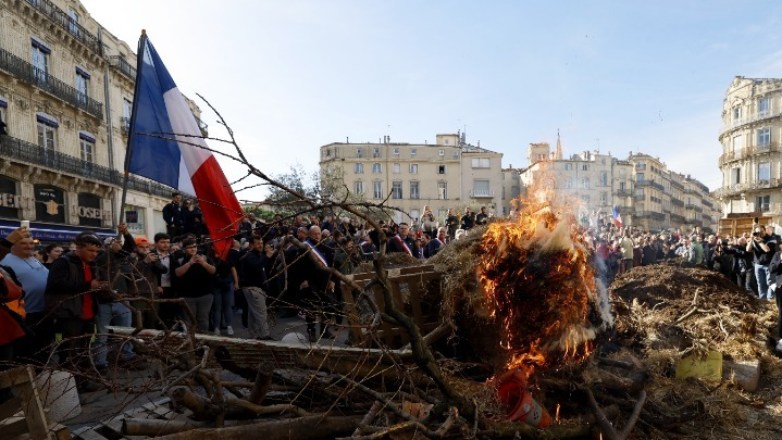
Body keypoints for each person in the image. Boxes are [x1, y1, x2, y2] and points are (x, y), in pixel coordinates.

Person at [45, 232, 105, 386]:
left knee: (85, 350)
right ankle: (70, 387)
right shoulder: (63, 263)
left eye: (96, 251)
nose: (94, 254)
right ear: (78, 248)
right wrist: (87, 286)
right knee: (70, 352)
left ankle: (83, 382)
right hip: (70, 315)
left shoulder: (91, 264)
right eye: (90, 251)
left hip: (88, 313)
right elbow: (55, 286)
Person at [0, 235, 51, 365]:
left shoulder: (33, 259)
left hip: (43, 310)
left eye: (31, 243)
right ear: (13, 246)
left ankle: (40, 370)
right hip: (24, 314)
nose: (29, 246)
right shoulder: (5, 261)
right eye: (24, 243)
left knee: (42, 344)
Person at [172, 238, 217, 332]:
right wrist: (190, 263)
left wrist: (203, 263)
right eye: (189, 247)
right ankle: (191, 342)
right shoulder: (180, 259)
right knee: (189, 320)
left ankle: (203, 340)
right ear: (184, 249)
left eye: (194, 247)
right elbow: (177, 273)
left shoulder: (205, 257)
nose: (193, 249)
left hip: (205, 294)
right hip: (187, 295)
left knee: (203, 319)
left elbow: (213, 271)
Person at [238, 235, 274, 340]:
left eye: (261, 243)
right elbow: (257, 267)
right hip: (253, 288)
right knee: (261, 312)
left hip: (255, 288)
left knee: (253, 314)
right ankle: (265, 335)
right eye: (258, 243)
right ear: (251, 245)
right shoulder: (249, 256)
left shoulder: (258, 255)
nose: (260, 246)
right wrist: (267, 257)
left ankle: (254, 334)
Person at [132, 236, 167, 329]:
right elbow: (132, 272)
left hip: (153, 294)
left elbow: (163, 270)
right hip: (138, 295)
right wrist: (145, 261)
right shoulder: (132, 258)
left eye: (147, 247)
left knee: (152, 321)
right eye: (141, 247)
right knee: (138, 322)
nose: (145, 249)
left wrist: (154, 261)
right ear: (136, 248)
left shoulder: (152, 257)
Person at [748, 225, 777, 301]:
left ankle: (770, 299)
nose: (759, 233)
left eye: (761, 231)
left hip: (769, 264)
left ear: (765, 230)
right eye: (757, 232)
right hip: (758, 265)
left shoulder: (771, 239)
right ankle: (763, 300)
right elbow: (748, 249)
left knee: (770, 282)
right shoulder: (755, 239)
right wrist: (751, 239)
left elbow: (767, 249)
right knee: (761, 284)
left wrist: (760, 241)